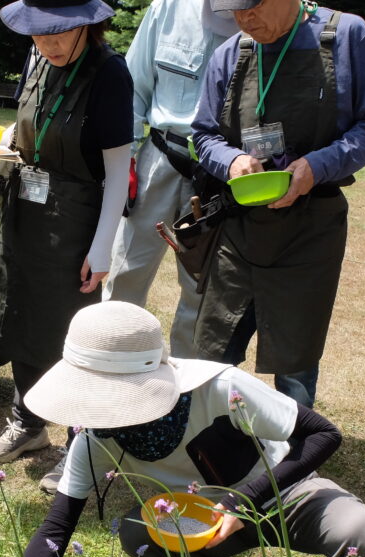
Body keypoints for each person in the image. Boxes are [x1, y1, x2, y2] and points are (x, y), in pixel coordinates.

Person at [0, 302, 365, 557]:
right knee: (136, 531)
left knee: (364, 533)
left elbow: (323, 433)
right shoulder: (98, 437)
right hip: (204, 522)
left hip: (281, 492)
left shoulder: (218, 387)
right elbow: (55, 530)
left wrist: (245, 502)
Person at [190, 0, 365, 409]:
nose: (244, 20)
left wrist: (318, 167)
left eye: (253, 7)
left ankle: (296, 445)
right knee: (213, 347)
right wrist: (231, 161)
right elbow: (204, 134)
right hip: (240, 227)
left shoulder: (346, 35)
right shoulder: (230, 52)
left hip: (310, 228)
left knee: (297, 354)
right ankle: (207, 434)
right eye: (234, 12)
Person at [0, 0, 134, 494]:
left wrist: (103, 247)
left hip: (77, 219)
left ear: (88, 24)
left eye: (58, 33)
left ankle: (79, 444)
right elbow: (30, 125)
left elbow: (116, 175)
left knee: (70, 334)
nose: (47, 43)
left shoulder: (110, 74)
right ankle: (29, 422)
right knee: (18, 314)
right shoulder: (38, 58)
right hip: (26, 209)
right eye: (37, 34)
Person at [103, 0, 237, 357]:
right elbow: (132, 86)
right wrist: (126, 160)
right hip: (160, 156)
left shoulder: (257, 15)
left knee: (201, 286)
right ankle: (113, 361)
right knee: (126, 270)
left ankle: (186, 393)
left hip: (220, 173)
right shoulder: (168, 8)